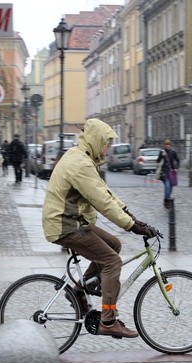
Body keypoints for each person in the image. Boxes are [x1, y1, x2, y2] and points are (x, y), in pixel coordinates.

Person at [42, 118, 158, 338]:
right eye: (105, 143)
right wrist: (131, 226)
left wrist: (133, 217)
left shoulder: (82, 158)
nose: (106, 148)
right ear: (95, 139)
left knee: (114, 244)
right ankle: (108, 320)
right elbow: (102, 202)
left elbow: (106, 193)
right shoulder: (80, 163)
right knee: (112, 262)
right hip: (65, 225)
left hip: (72, 220)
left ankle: (77, 292)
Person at [155, 139, 180, 208]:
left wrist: (176, 168)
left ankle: (166, 199)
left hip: (171, 172)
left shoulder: (173, 152)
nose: (167, 146)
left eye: (169, 145)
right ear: (164, 145)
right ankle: (168, 200)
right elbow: (158, 161)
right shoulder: (162, 152)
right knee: (167, 186)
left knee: (171, 187)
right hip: (164, 172)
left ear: (170, 145)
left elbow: (177, 160)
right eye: (166, 145)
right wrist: (162, 156)